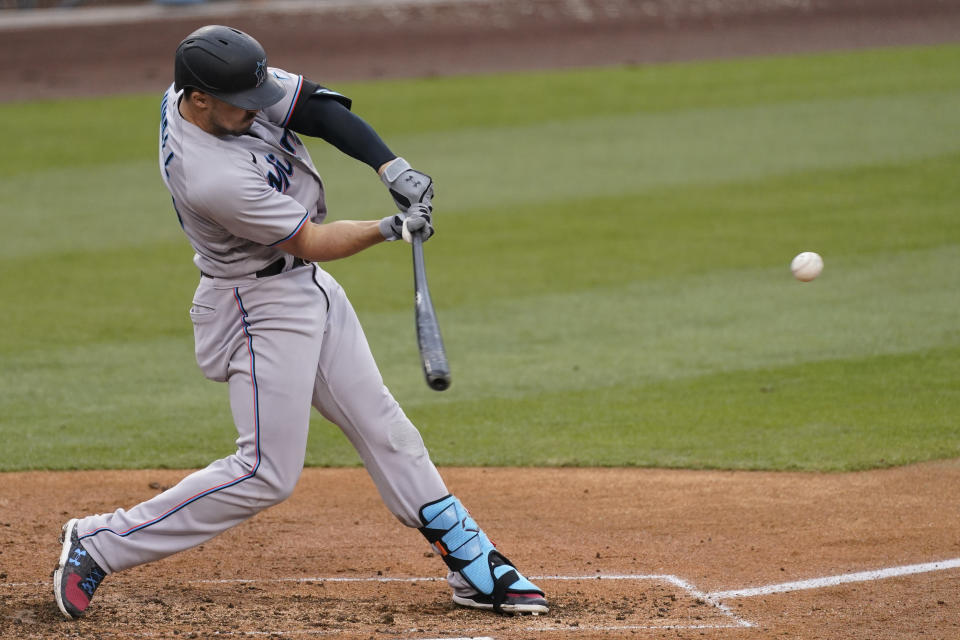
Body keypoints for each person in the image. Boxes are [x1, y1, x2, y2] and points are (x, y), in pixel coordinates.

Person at [52, 25, 548, 620]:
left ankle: (473, 562)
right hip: (257, 307)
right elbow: (311, 239)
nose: (259, 112)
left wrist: (391, 167)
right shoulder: (211, 175)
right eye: (244, 105)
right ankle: (98, 542)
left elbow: (314, 107)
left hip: (300, 288)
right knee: (264, 472)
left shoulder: (211, 88)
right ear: (200, 100)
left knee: (383, 424)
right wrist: (390, 228)